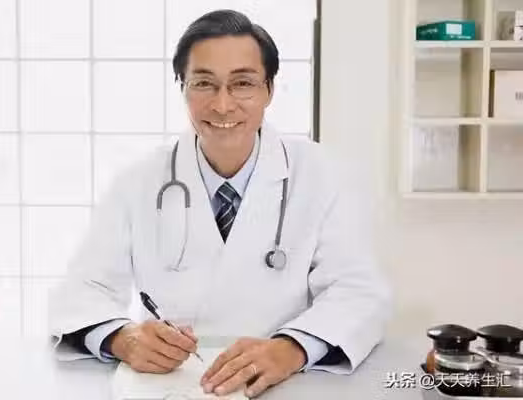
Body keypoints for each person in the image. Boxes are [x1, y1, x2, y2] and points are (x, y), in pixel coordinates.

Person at [48, 9, 391, 398]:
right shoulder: (138, 182)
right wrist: (122, 338)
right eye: (203, 84)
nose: (223, 105)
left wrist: (291, 348)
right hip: (171, 385)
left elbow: (359, 292)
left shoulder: (323, 174)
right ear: (182, 88)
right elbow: (81, 290)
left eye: (242, 83)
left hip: (287, 383)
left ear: (269, 89)